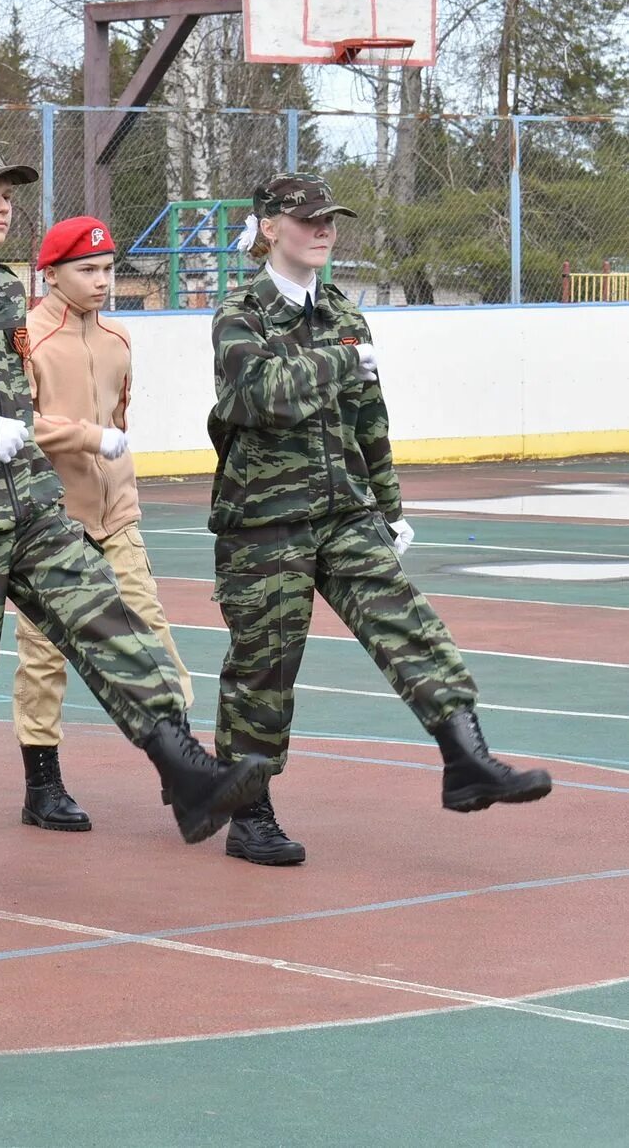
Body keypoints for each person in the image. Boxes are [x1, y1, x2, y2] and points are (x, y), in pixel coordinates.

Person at [0, 143, 270, 920]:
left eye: (6, 192)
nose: (0, 204)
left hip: (33, 513)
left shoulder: (5, 294)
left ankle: (185, 771)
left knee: (109, 622)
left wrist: (17, 450)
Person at [207, 172, 553, 865]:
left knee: (409, 625)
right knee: (264, 668)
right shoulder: (240, 313)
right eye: (308, 220)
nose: (324, 230)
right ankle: (250, 813)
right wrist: (339, 361)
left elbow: (369, 421)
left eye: (330, 219)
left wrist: (389, 507)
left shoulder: (344, 314)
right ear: (270, 227)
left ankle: (466, 760)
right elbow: (258, 396)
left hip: (342, 510)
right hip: (265, 522)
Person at [10, 215, 194, 832]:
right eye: (87, 270)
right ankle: (43, 783)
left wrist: (115, 458)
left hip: (116, 513)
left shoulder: (117, 338)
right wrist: (89, 436)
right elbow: (17, 425)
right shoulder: (27, 337)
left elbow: (121, 410)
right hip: (50, 520)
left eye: (108, 269)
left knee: (150, 631)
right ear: (52, 272)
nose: (101, 281)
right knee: (44, 652)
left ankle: (181, 766)